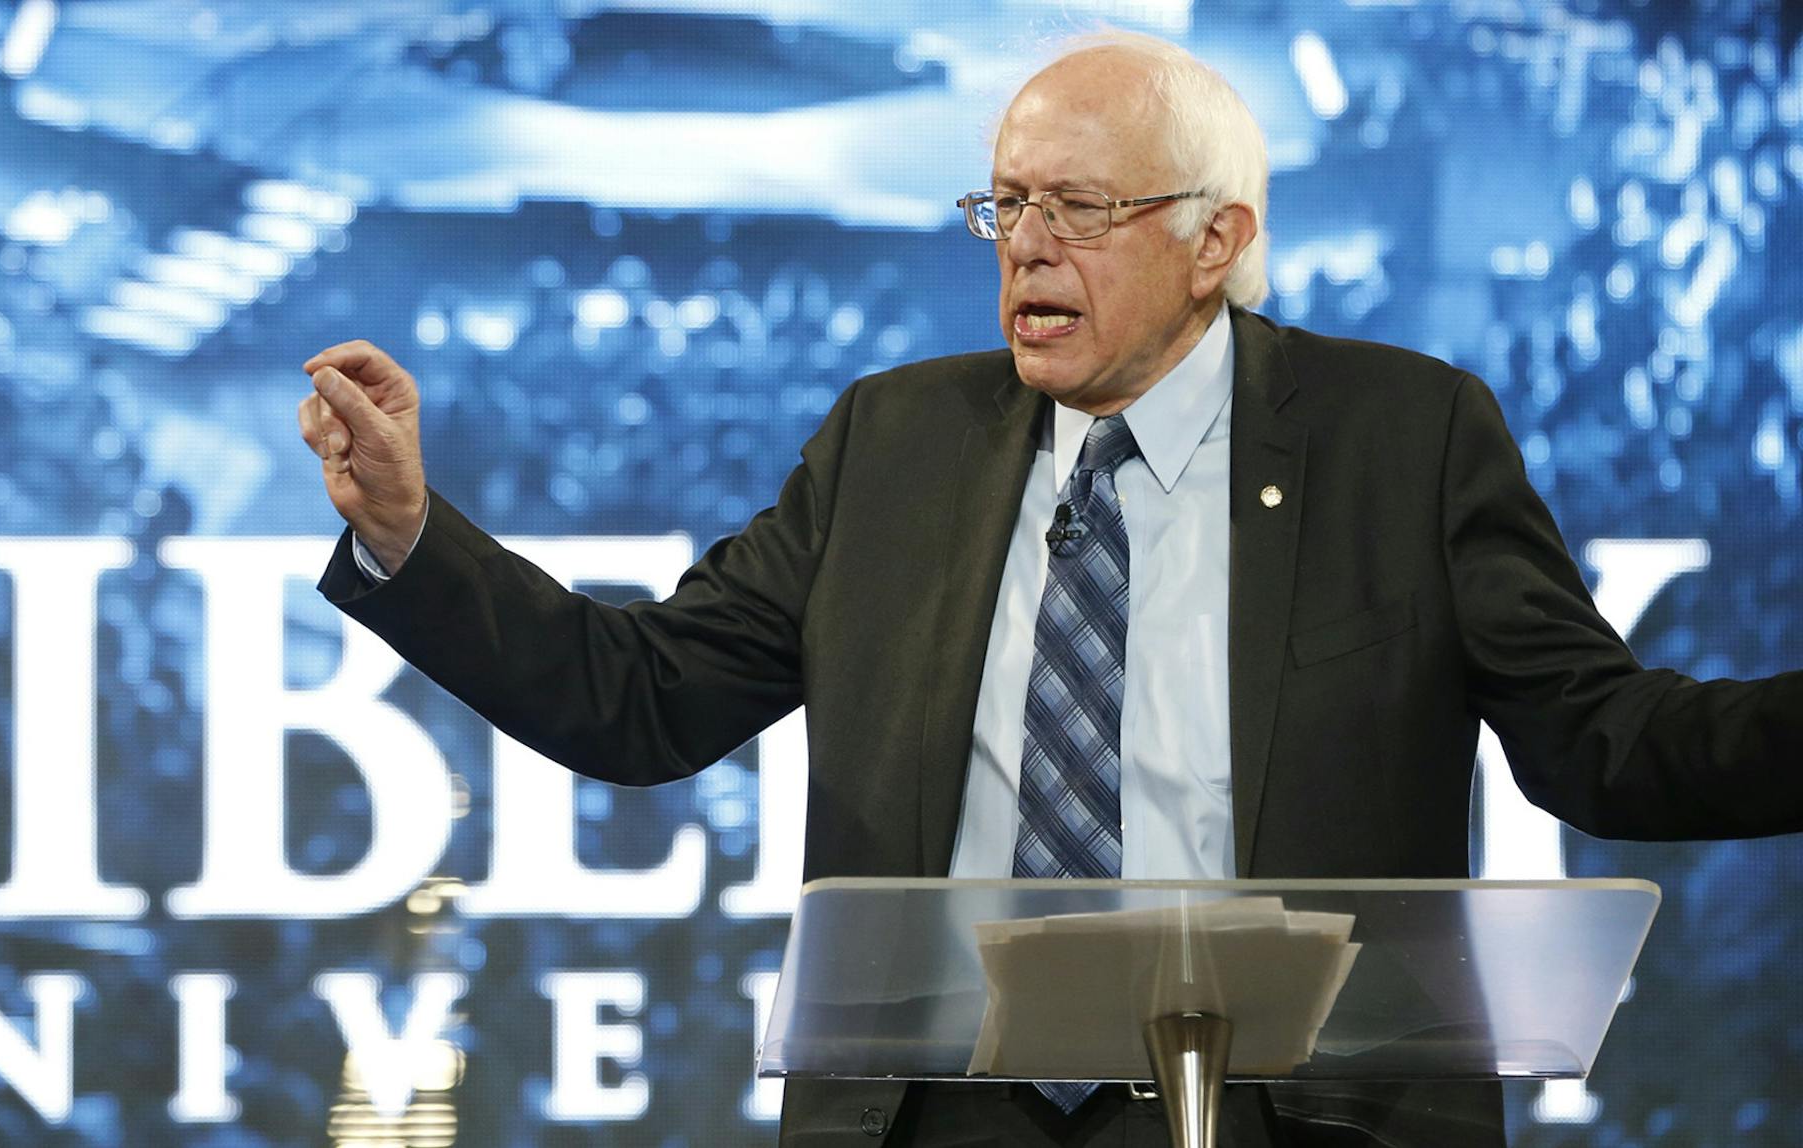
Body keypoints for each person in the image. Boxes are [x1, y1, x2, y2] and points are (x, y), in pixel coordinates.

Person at [294, 28, 1803, 1148]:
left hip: (1291, 1111)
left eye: (1079, 210)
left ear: (1217, 242)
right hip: (937, 1108)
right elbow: (638, 702)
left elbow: (1604, 742)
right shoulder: (897, 441)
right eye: (1003, 207)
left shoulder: (1401, 438)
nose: (1026, 247)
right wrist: (415, 536)